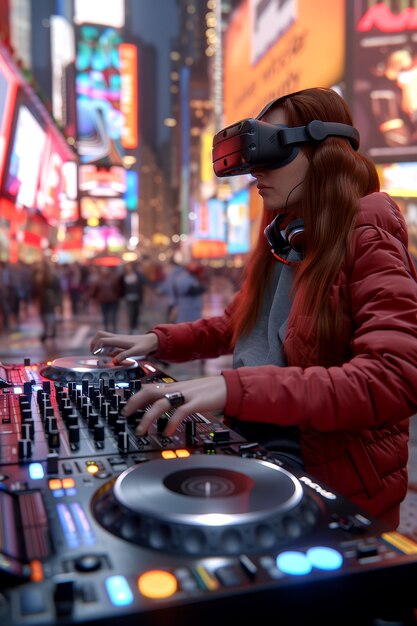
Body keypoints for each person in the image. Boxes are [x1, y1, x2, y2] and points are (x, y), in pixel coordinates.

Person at [90, 87, 417, 530]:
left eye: (273, 152)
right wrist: (156, 341)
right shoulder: (286, 237)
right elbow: (236, 325)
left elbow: (394, 378)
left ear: (325, 153)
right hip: (264, 447)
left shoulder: (368, 235)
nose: (256, 173)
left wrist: (232, 388)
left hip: (338, 481)